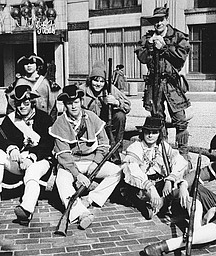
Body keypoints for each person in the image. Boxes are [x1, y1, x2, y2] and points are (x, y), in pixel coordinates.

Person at [141, 123, 216, 256]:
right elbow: (199, 174)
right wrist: (184, 185)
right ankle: (197, 230)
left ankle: (169, 245)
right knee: (196, 188)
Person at [49, 84, 122, 229]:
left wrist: (96, 162)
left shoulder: (91, 117)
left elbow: (104, 143)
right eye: (69, 103)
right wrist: (77, 175)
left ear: (81, 102)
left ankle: (90, 198)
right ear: (65, 105)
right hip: (71, 164)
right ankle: (80, 213)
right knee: (62, 180)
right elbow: (63, 155)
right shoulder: (60, 123)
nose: (74, 106)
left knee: (116, 171)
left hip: (91, 161)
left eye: (76, 102)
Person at [0, 80, 54, 225]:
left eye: (26, 103)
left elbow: (48, 143)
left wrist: (32, 157)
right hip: (18, 161)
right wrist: (11, 148)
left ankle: (26, 209)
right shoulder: (10, 119)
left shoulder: (44, 118)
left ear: (32, 103)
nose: (22, 107)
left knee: (33, 171)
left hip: (40, 160)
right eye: (19, 104)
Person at [135, 5, 192, 165]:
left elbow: (180, 58)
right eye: (155, 21)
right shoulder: (147, 38)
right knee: (157, 120)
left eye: (161, 20)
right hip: (154, 85)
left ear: (166, 20)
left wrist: (164, 48)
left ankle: (183, 154)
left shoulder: (178, 36)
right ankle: (163, 155)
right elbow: (142, 57)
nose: (158, 23)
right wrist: (151, 46)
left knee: (180, 119)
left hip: (172, 83)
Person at [122, 116, 188, 219]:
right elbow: (132, 170)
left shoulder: (163, 146)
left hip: (160, 182)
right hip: (142, 185)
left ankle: (159, 204)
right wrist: (150, 188)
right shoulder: (135, 147)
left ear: (159, 133)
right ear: (143, 132)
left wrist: (170, 179)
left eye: (154, 132)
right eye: (147, 132)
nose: (150, 135)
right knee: (141, 194)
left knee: (180, 186)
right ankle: (157, 204)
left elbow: (180, 161)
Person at [79, 61, 131, 164]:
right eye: (95, 80)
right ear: (90, 80)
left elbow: (127, 105)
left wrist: (116, 102)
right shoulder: (82, 90)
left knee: (120, 116)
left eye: (101, 81)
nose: (98, 84)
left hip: (106, 123)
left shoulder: (110, 89)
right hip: (88, 125)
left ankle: (116, 150)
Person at [5, 53, 59, 122]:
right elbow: (10, 106)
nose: (29, 66)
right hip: (22, 121)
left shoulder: (46, 83)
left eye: (31, 63)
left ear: (37, 65)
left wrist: (51, 122)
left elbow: (53, 105)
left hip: (43, 121)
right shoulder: (18, 83)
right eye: (26, 64)